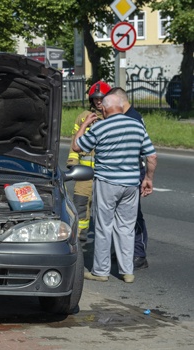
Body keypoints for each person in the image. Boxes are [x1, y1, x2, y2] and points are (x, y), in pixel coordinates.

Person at [72, 93, 157, 284]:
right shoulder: (136, 125)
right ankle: (127, 272)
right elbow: (152, 157)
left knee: (103, 227)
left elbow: (77, 147)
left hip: (107, 183)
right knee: (126, 228)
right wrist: (148, 179)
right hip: (131, 185)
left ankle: (101, 272)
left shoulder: (101, 126)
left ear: (104, 108)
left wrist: (85, 124)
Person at [106, 87, 149, 270]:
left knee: (133, 215)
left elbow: (144, 149)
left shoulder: (132, 118)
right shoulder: (130, 116)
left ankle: (138, 254)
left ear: (119, 101)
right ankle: (121, 251)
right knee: (120, 214)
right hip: (126, 170)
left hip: (131, 171)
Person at [67, 81, 111, 241]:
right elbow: (75, 140)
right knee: (80, 201)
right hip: (85, 173)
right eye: (95, 99)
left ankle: (106, 237)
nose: (98, 102)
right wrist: (72, 161)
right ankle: (79, 235)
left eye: (101, 98)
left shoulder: (112, 117)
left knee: (105, 206)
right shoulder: (83, 117)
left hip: (105, 172)